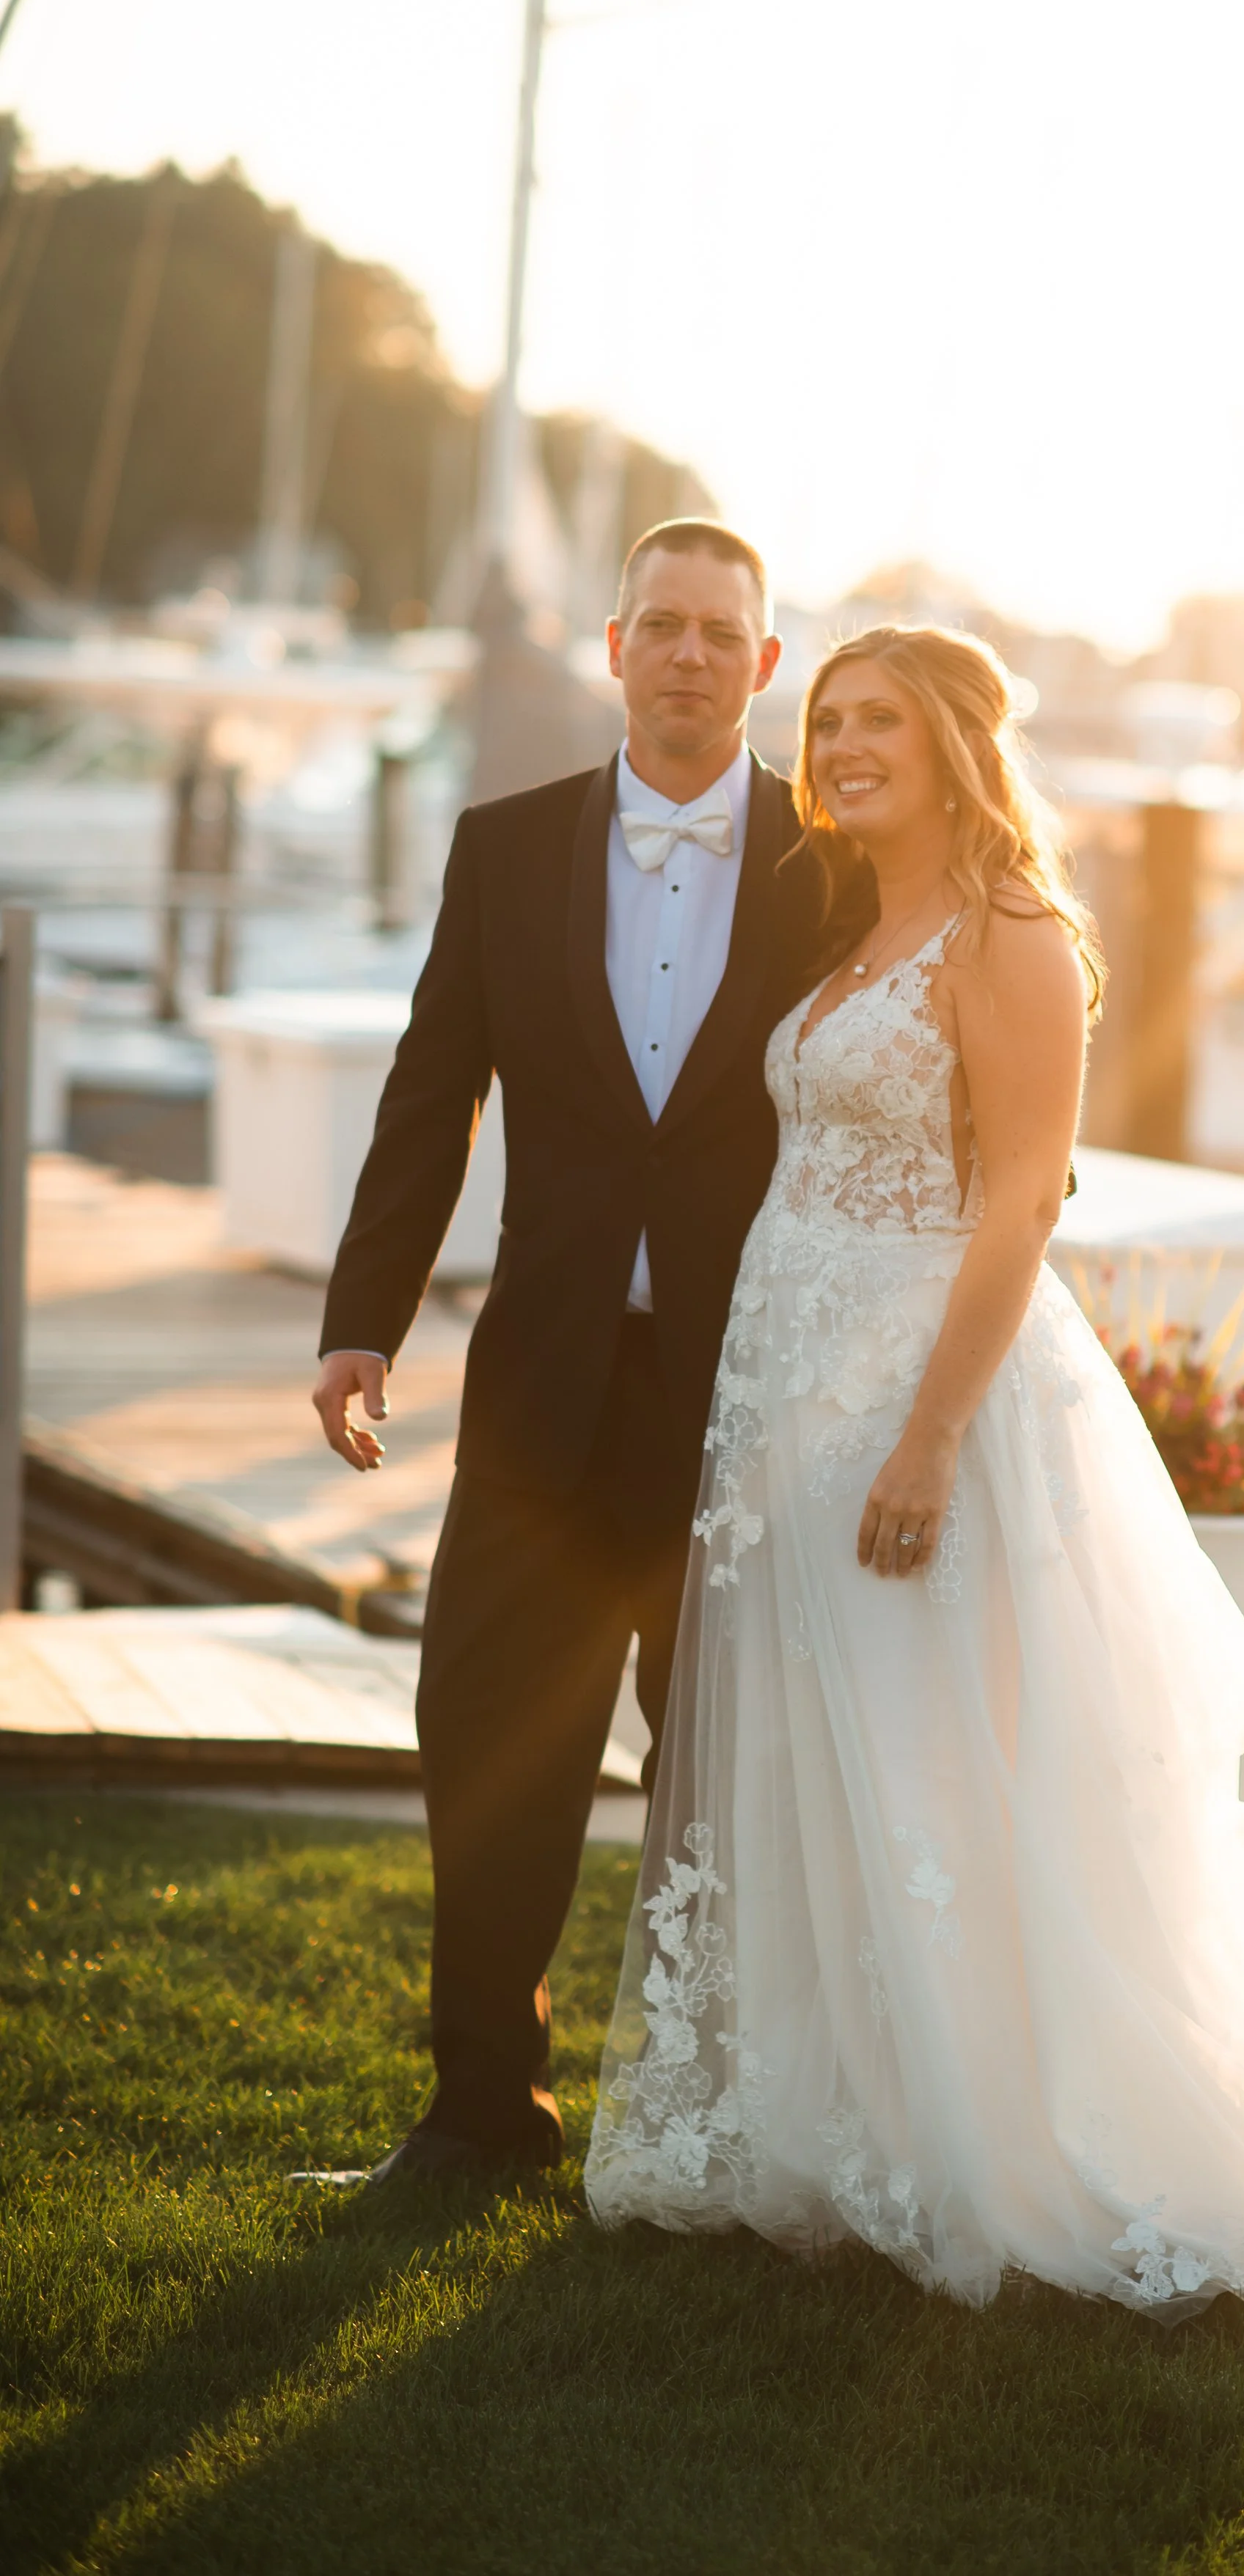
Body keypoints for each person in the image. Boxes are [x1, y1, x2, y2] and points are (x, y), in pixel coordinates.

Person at [583, 624, 1244, 2318]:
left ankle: (991, 2148)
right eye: (829, 722)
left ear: (952, 744)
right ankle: (832, 2122)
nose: (845, 744)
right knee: (825, 1755)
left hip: (919, 1400)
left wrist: (929, 1437)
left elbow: (1021, 1198)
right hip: (785, 1393)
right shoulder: (858, 921)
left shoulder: (1013, 933)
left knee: (941, 1758)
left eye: (878, 720)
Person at [310, 519, 841, 2181]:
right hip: (542, 1388)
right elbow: (428, 1101)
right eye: (660, 626)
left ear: (764, 668)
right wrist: (358, 1326)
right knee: (486, 1744)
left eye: (720, 634)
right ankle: (483, 2115)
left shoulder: (841, 871)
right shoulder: (504, 847)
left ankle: (721, 2133)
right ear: (615, 648)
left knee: (732, 1773)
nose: (688, 656)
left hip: (743, 1404)